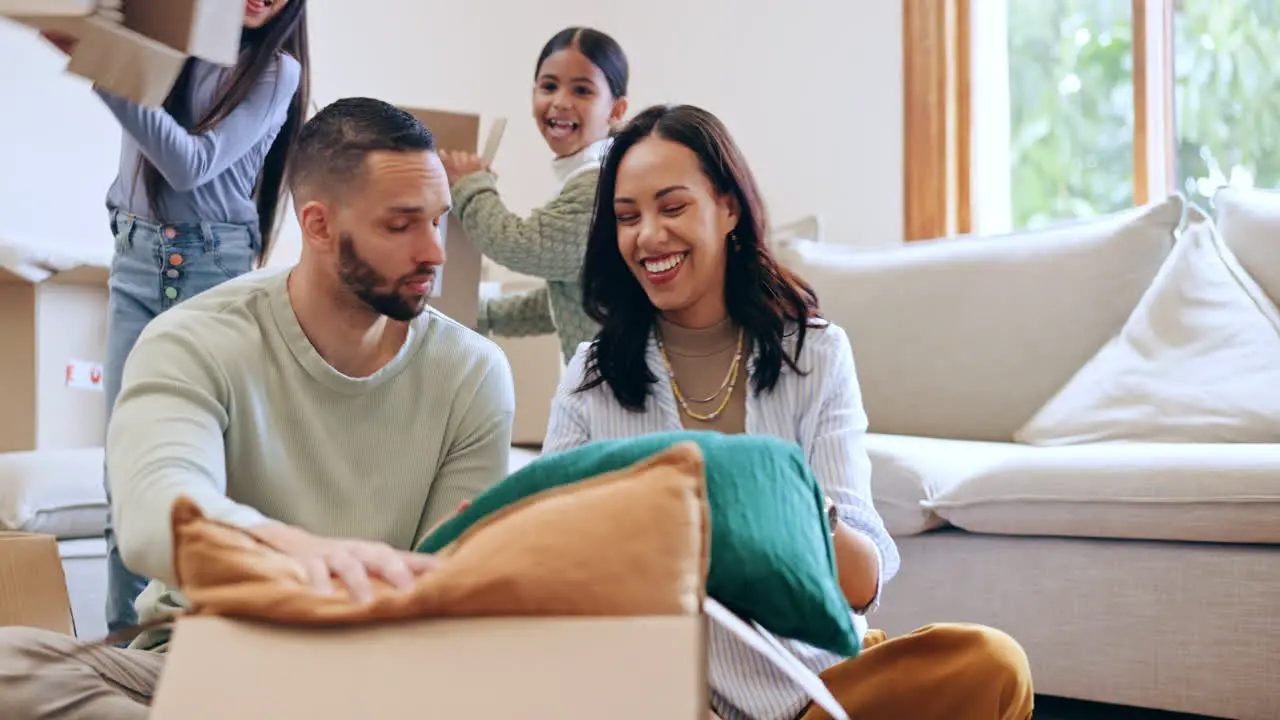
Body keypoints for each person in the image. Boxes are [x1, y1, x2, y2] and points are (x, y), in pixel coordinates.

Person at [0, 97, 516, 719]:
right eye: (401, 225)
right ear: (319, 225)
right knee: (14, 666)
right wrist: (294, 551)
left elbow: (447, 585)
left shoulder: (473, 372)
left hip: (371, 678)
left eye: (439, 221)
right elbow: (154, 515)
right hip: (194, 661)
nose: (433, 252)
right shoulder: (194, 339)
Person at [543, 104, 1034, 720]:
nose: (648, 236)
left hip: (821, 691)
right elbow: (548, 560)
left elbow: (860, 584)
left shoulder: (816, 353)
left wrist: (790, 501)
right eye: (626, 217)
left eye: (672, 207)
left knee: (989, 664)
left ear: (727, 209)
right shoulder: (591, 376)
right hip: (669, 695)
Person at [44, 0, 311, 635]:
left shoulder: (277, 71)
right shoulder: (170, 43)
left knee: (199, 480)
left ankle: (186, 648)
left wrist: (102, 68)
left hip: (211, 271)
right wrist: (104, 45)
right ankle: (123, 649)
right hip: (136, 261)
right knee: (124, 474)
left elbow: (191, 164)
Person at [438, 26, 628, 364]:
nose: (560, 101)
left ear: (615, 111)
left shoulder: (598, 185)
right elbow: (566, 299)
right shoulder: (589, 176)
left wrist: (471, 185)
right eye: (549, 86)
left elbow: (522, 245)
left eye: (582, 90)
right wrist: (478, 313)